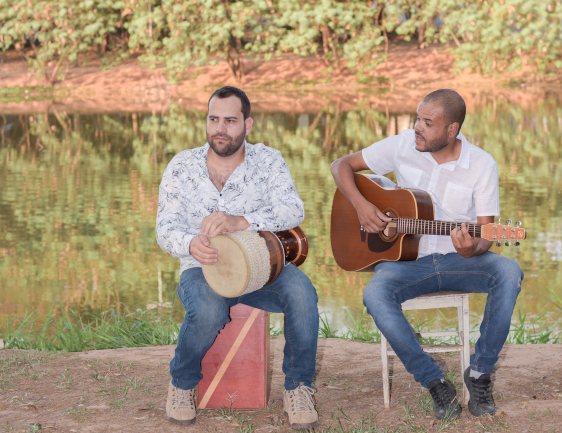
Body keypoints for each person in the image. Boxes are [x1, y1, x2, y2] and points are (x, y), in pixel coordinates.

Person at [330, 89, 523, 420]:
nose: (417, 127)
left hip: (456, 261)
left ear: (452, 130)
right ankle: (434, 382)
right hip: (406, 263)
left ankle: (480, 373)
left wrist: (470, 248)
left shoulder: (480, 164)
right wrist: (362, 207)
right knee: (375, 293)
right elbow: (341, 165)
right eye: (417, 118)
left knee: (508, 272)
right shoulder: (403, 144)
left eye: (427, 123)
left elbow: (486, 235)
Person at [156, 86, 319, 429]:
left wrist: (242, 222)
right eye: (214, 119)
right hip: (204, 268)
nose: (220, 128)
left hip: (262, 267)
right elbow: (164, 229)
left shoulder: (268, 160)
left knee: (303, 294)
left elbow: (293, 210)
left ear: (248, 125)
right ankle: (182, 383)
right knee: (209, 310)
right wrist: (190, 244)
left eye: (230, 120)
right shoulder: (182, 166)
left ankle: (298, 386)